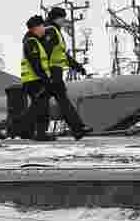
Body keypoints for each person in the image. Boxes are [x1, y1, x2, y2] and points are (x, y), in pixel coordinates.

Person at [43, 7, 92, 140]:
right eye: (62, 18)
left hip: (55, 72)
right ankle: (78, 128)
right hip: (51, 73)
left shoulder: (55, 31)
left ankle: (78, 129)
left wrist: (77, 66)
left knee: (59, 102)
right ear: (56, 18)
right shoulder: (51, 31)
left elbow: (62, 54)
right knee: (47, 103)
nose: (64, 20)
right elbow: (45, 53)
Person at [17, 15, 54, 141]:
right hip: (34, 81)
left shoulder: (34, 40)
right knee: (38, 107)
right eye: (42, 26)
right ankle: (20, 127)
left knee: (40, 107)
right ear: (36, 28)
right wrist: (46, 80)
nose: (44, 28)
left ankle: (38, 133)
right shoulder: (31, 42)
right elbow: (36, 64)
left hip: (35, 80)